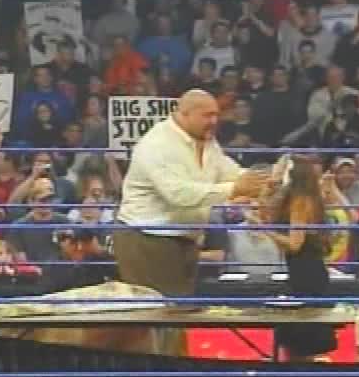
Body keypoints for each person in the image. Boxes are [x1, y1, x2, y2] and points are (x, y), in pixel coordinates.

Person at [115, 89, 268, 298]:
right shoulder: (158, 144)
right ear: (184, 114)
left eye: (216, 115)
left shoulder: (205, 141)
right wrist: (235, 188)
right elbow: (178, 194)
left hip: (184, 239)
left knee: (180, 308)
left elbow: (226, 171)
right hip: (148, 238)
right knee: (156, 308)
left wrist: (261, 181)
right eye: (207, 115)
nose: (214, 121)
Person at [253, 155, 337, 361]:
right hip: (301, 270)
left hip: (307, 273)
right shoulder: (295, 197)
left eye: (281, 169)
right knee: (295, 340)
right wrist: (270, 184)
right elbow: (264, 208)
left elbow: (294, 244)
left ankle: (300, 374)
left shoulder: (301, 201)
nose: (277, 172)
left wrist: (265, 230)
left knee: (302, 341)